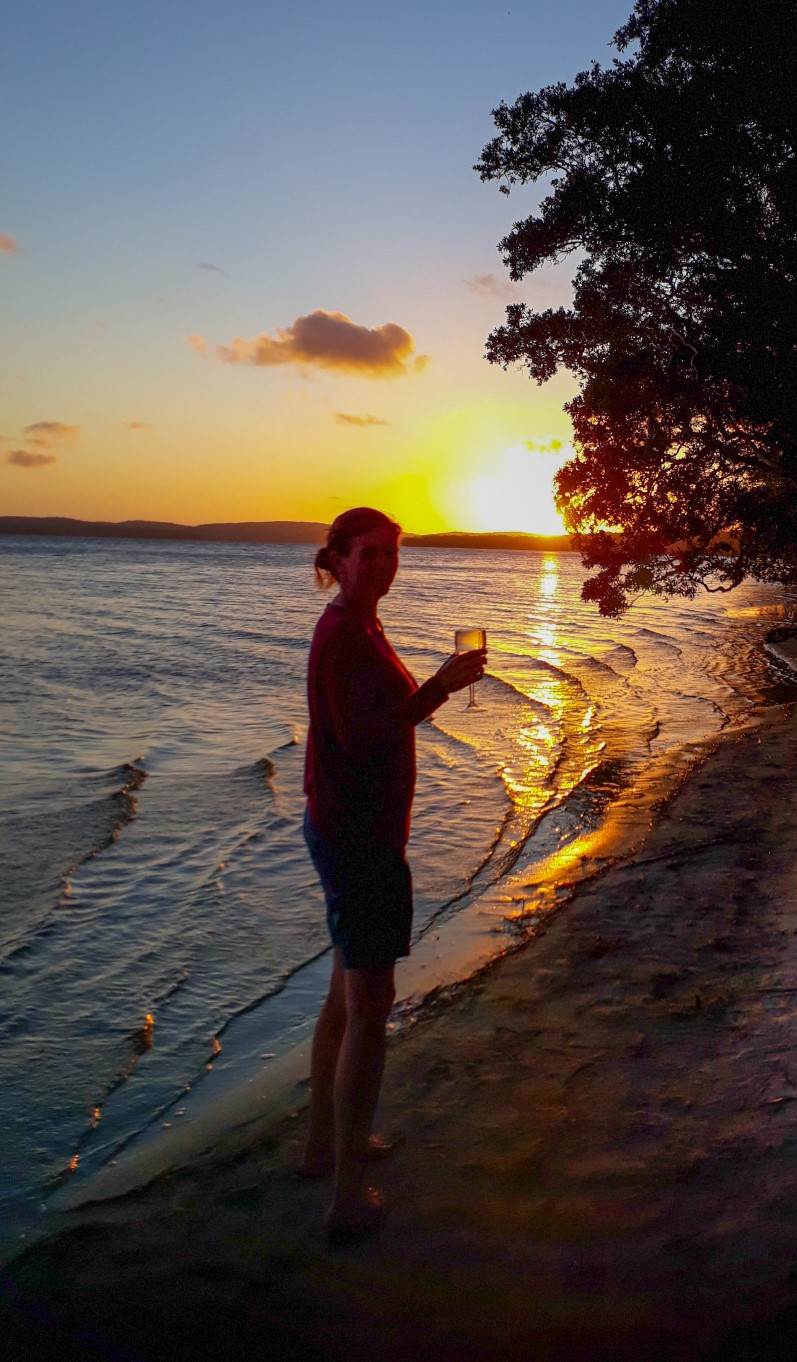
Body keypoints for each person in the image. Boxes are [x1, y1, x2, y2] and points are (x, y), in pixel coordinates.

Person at [300, 506, 486, 1237]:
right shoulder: (347, 635)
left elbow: (370, 725)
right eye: (369, 554)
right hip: (359, 842)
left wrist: (432, 688)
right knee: (371, 1015)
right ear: (339, 559)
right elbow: (362, 737)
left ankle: (323, 1146)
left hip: (349, 830)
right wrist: (437, 688)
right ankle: (347, 1196)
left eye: (391, 553)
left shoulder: (360, 623)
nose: (383, 566)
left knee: (344, 998)